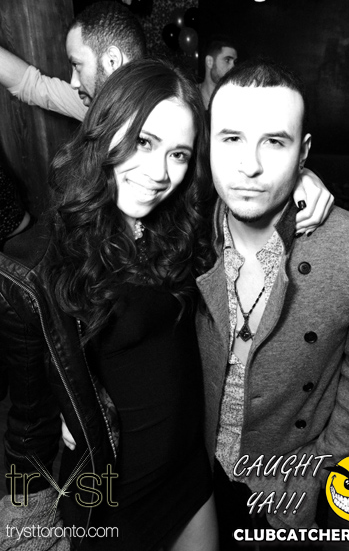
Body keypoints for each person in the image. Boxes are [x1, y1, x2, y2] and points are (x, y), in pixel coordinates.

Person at [0, 59, 217, 551]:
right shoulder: (39, 265)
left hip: (188, 470)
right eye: (144, 142)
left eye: (178, 154)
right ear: (104, 127)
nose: (159, 173)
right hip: (117, 496)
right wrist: (22, 521)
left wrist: (300, 178)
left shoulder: (180, 225)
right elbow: (28, 425)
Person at [195, 58, 349, 546]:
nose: (250, 165)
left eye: (274, 141)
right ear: (208, 142)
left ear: (303, 151)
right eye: (231, 138)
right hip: (193, 476)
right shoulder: (182, 237)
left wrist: (324, 463)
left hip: (286, 486)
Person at [0, 0, 146, 121]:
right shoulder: (99, 107)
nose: (74, 83)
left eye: (77, 65)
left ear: (112, 61)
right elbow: (33, 86)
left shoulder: (157, 121)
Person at [198, 37, 238, 110]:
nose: (233, 67)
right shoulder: (189, 96)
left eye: (234, 62)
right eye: (227, 60)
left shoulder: (234, 100)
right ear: (209, 62)